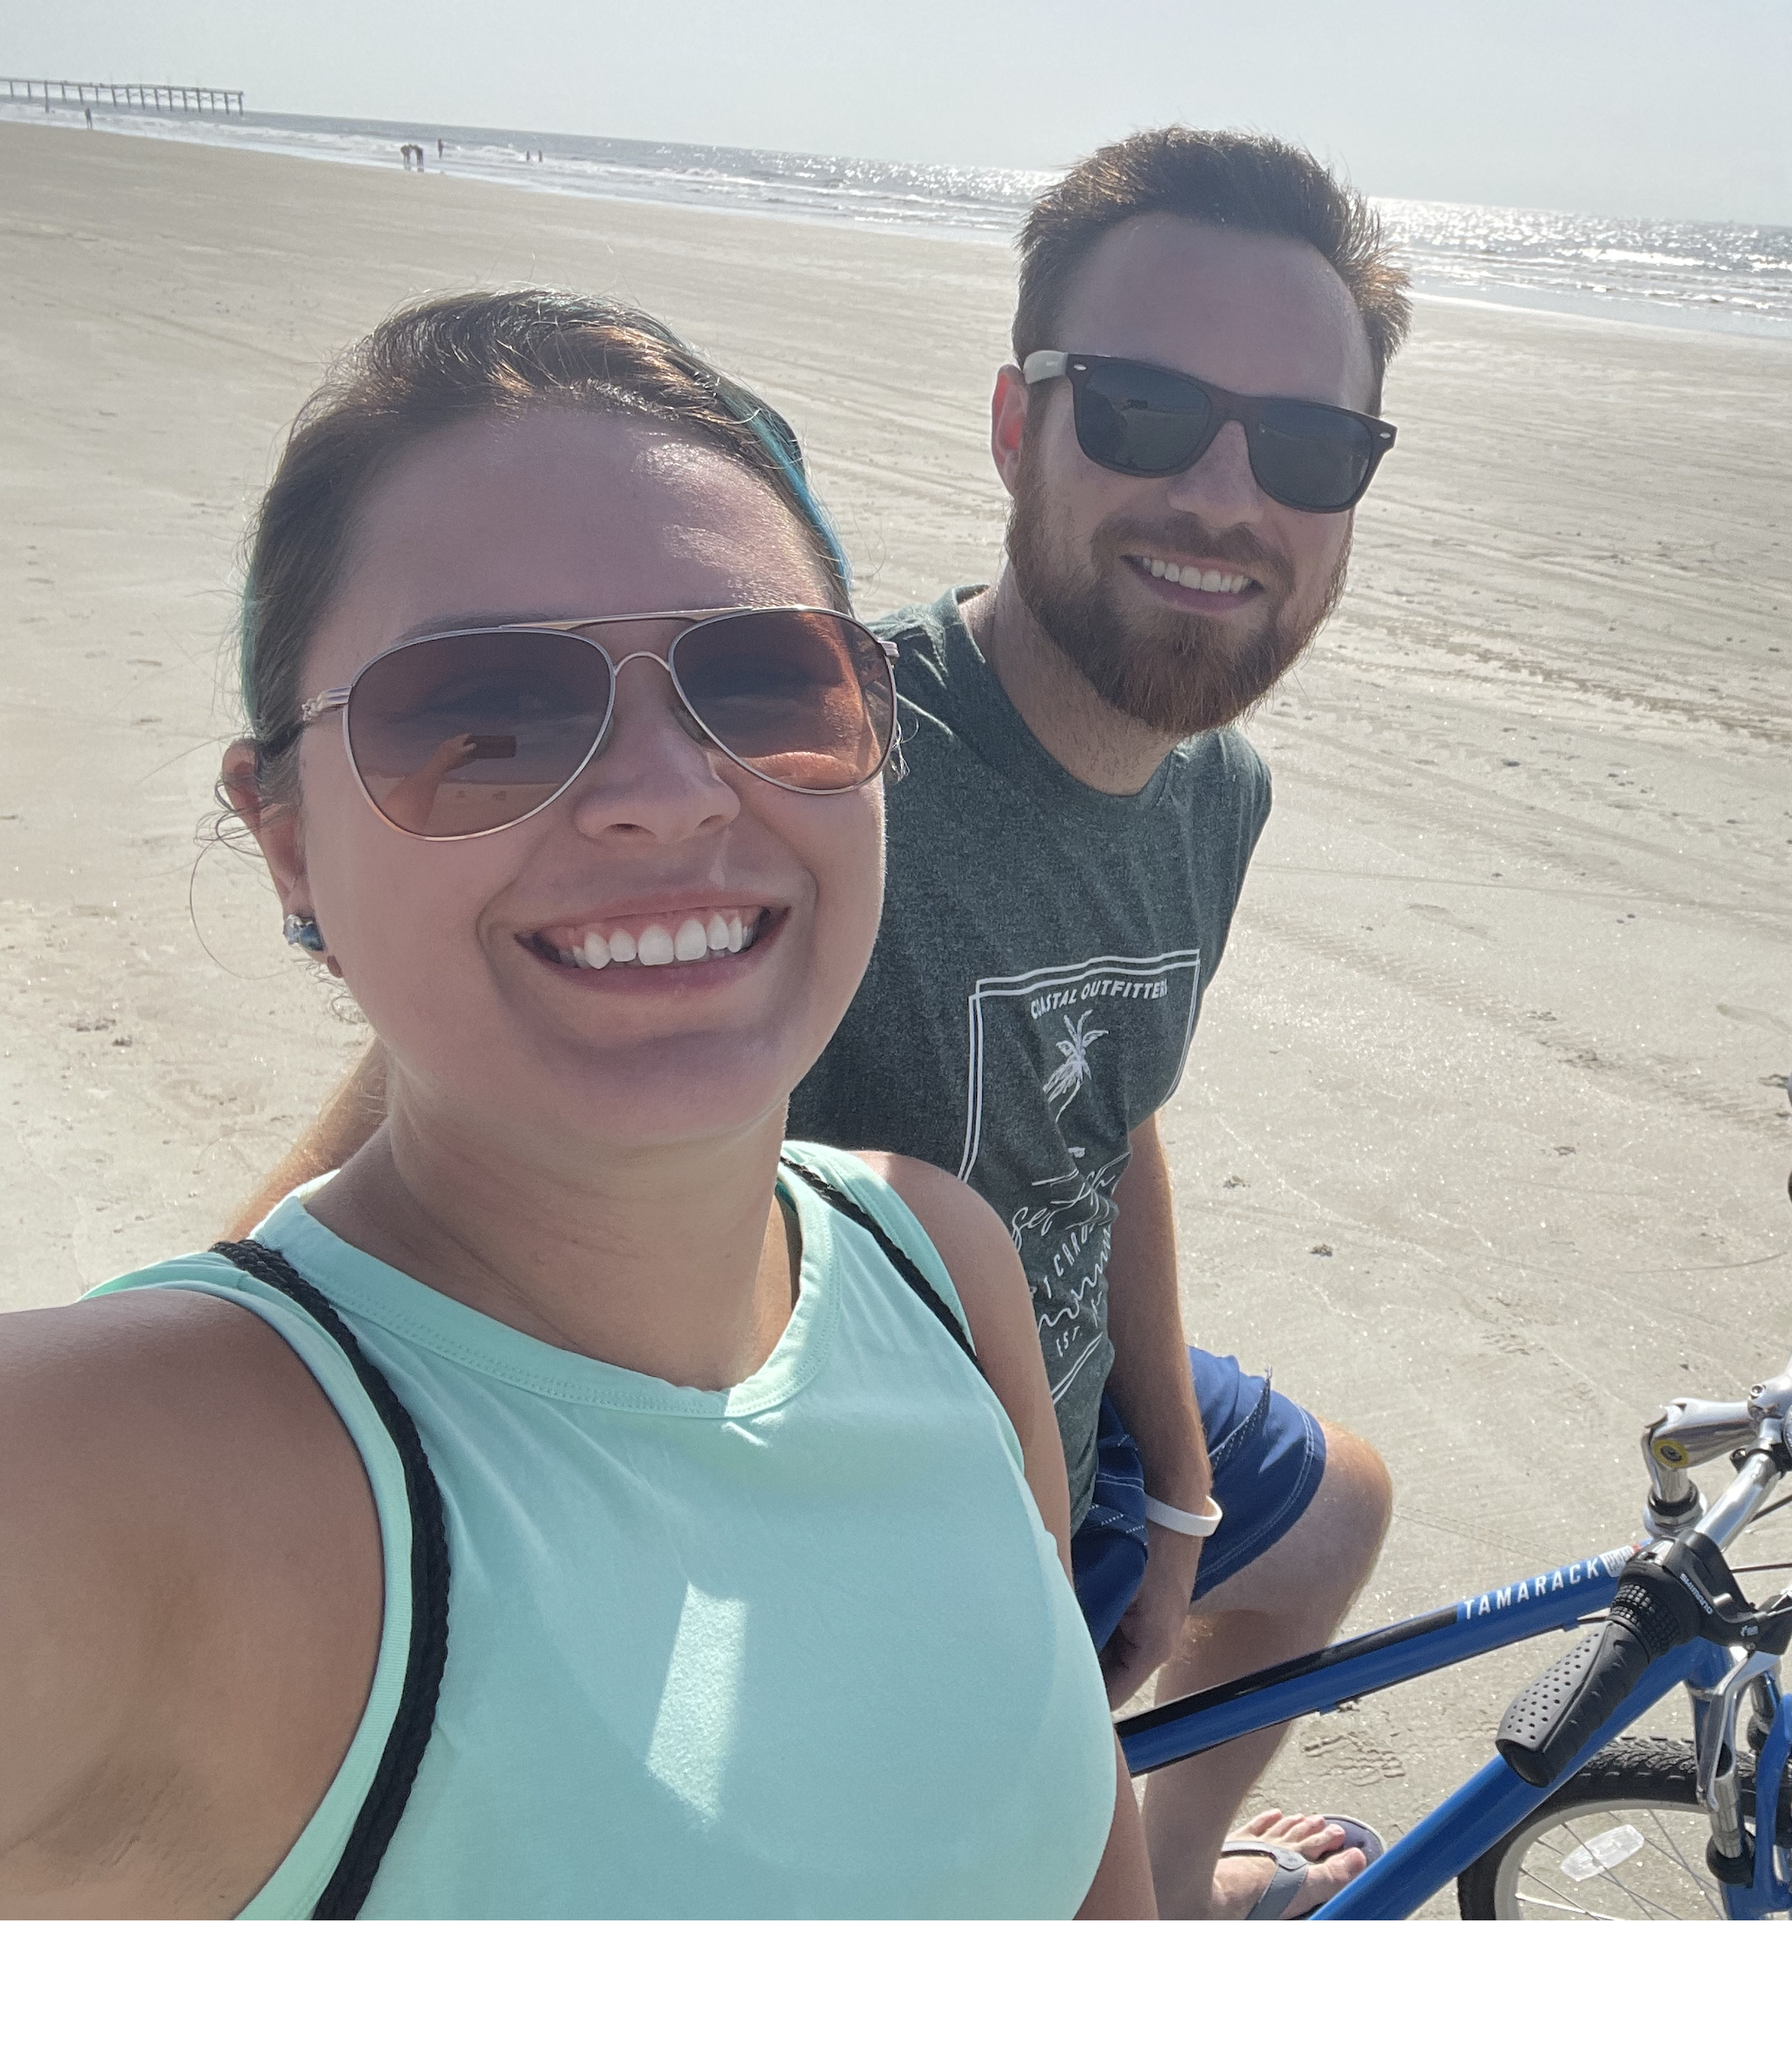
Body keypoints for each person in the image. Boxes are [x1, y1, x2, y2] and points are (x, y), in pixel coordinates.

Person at [240, 129, 1406, 1918]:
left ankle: (1164, 1890)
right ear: (1019, 425)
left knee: (1333, 1510)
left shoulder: (1212, 797)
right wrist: (245, 1357)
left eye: (1309, 446)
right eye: (1150, 411)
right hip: (826, 1437)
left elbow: (1107, 1115)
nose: (1225, 498)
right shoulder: (796, 745)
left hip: (1058, 1392)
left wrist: (1169, 1469)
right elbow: (434, 1077)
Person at [0, 293, 1146, 1917]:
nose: (669, 795)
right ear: (290, 843)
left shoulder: (933, 1259)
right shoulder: (147, 1473)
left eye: (765, 683)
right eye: (482, 718)